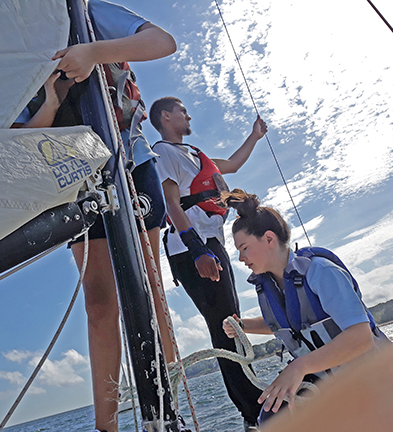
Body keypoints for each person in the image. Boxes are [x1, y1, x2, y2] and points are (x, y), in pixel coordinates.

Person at [13, 3, 177, 432]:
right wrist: (52, 100)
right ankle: (108, 427)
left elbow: (162, 41)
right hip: (77, 176)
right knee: (99, 303)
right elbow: (20, 139)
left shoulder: (84, 11)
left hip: (131, 165)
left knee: (149, 287)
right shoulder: (9, 41)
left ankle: (171, 407)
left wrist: (92, 53)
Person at [221, 190, 389, 425]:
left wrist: (299, 367)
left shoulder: (321, 272)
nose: (241, 258)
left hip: (377, 376)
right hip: (327, 381)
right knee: (271, 419)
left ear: (269, 239)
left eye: (244, 247)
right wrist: (242, 326)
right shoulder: (270, 286)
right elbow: (289, 324)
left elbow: (361, 339)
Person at [149, 96, 267, 430]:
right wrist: (197, 248)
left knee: (231, 322)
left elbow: (232, 162)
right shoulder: (164, 154)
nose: (188, 115)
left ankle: (255, 409)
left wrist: (255, 136)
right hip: (193, 247)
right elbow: (172, 205)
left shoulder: (194, 155)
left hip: (213, 243)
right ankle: (255, 414)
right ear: (166, 116)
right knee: (226, 326)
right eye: (183, 110)